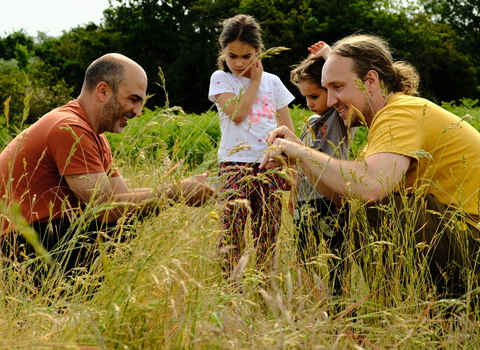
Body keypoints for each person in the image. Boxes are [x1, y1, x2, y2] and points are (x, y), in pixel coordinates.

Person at [261, 34, 480, 299]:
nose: (330, 101)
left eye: (338, 87)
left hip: (472, 240)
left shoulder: (401, 112)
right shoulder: (387, 124)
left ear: (371, 81)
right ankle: (419, 311)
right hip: (463, 238)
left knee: (373, 207)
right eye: (327, 90)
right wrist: (300, 158)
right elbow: (345, 196)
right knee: (358, 204)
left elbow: (369, 187)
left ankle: (408, 310)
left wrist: (301, 150)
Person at [0, 53, 214, 275]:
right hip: (15, 245)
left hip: (38, 235)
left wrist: (180, 188)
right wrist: (177, 192)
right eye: (133, 99)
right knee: (107, 231)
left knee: (126, 223)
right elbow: (106, 209)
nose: (137, 111)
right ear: (103, 91)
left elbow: (121, 199)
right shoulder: (69, 128)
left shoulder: (95, 135)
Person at [208, 14, 295, 277]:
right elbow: (237, 114)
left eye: (246, 56)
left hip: (270, 166)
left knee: (267, 233)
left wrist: (291, 170)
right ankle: (232, 291)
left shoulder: (274, 82)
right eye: (232, 55)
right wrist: (254, 82)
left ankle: (264, 289)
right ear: (223, 50)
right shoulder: (221, 79)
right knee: (232, 233)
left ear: (258, 51)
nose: (239, 62)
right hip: (234, 165)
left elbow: (286, 129)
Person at [290, 41, 356, 295]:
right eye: (305, 97)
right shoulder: (311, 122)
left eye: (314, 96)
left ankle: (339, 302)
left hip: (331, 198)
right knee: (304, 256)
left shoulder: (339, 117)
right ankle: (308, 299)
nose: (309, 103)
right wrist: (294, 192)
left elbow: (345, 78)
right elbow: (302, 161)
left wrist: (329, 55)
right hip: (306, 199)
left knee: (335, 257)